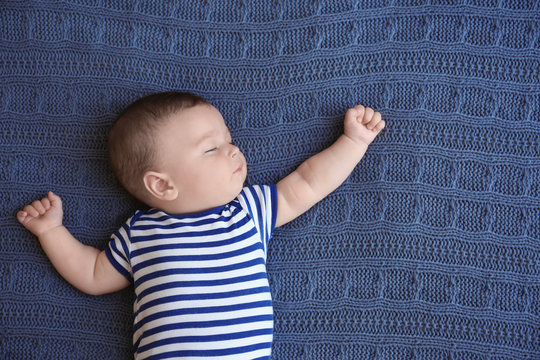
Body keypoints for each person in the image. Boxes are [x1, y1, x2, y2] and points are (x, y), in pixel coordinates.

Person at [16, 91, 385, 360]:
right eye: (211, 149)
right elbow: (94, 275)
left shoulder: (248, 209)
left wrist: (353, 142)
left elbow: (307, 183)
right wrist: (52, 232)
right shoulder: (141, 232)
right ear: (161, 185)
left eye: (228, 140)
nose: (232, 150)